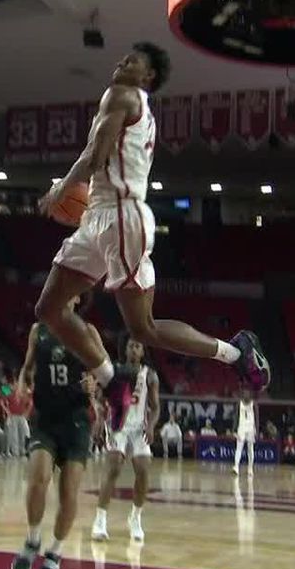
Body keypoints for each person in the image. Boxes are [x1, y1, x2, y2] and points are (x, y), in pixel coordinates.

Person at [34, 43, 268, 401]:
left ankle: (236, 352)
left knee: (143, 328)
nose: (121, 61)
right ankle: (113, 381)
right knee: (48, 308)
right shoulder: (132, 106)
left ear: (148, 76)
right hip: (99, 214)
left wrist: (60, 190)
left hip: (121, 216)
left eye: (132, 61)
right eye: (123, 57)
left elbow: (95, 157)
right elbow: (95, 155)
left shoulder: (123, 95)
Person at [10, 300, 103, 569]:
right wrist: (22, 385)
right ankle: (33, 539)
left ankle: (56, 551)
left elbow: (103, 369)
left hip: (76, 420)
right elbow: (27, 368)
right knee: (38, 478)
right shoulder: (38, 330)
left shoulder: (87, 331)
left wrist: (94, 383)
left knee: (68, 492)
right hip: (45, 417)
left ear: (77, 299)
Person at [92, 335, 159, 543]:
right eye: (130, 345)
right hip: (117, 424)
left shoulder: (150, 376)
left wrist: (151, 425)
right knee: (113, 468)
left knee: (143, 470)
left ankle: (135, 517)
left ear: (142, 352)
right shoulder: (114, 372)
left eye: (137, 346)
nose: (133, 349)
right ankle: (100, 519)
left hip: (139, 427)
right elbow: (100, 399)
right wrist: (99, 420)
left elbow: (155, 407)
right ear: (126, 349)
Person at [231, 387, 258, 477]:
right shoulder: (239, 404)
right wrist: (234, 430)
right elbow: (236, 417)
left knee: (250, 449)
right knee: (239, 448)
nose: (246, 395)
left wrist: (256, 430)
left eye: (247, 394)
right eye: (244, 394)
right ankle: (236, 467)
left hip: (251, 428)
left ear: (250, 395)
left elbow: (257, 419)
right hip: (241, 428)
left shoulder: (254, 404)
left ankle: (250, 468)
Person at [5, 385, 32, 458]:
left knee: (24, 433)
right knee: (14, 434)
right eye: (14, 386)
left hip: (21, 416)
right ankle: (15, 452)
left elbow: (30, 403)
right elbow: (2, 400)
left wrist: (27, 413)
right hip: (13, 416)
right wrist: (7, 412)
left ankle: (22, 450)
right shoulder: (9, 394)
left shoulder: (23, 395)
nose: (15, 387)